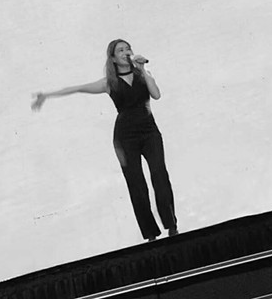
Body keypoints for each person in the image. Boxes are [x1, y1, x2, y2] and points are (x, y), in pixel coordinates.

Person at [31, 39, 178, 241]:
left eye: (128, 48)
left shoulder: (143, 75)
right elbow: (78, 88)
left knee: (160, 175)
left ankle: (172, 225)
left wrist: (142, 69)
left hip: (149, 132)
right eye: (120, 50)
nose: (126, 52)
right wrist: (47, 95)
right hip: (125, 138)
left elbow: (157, 95)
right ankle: (151, 234)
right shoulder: (110, 82)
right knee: (136, 184)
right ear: (113, 58)